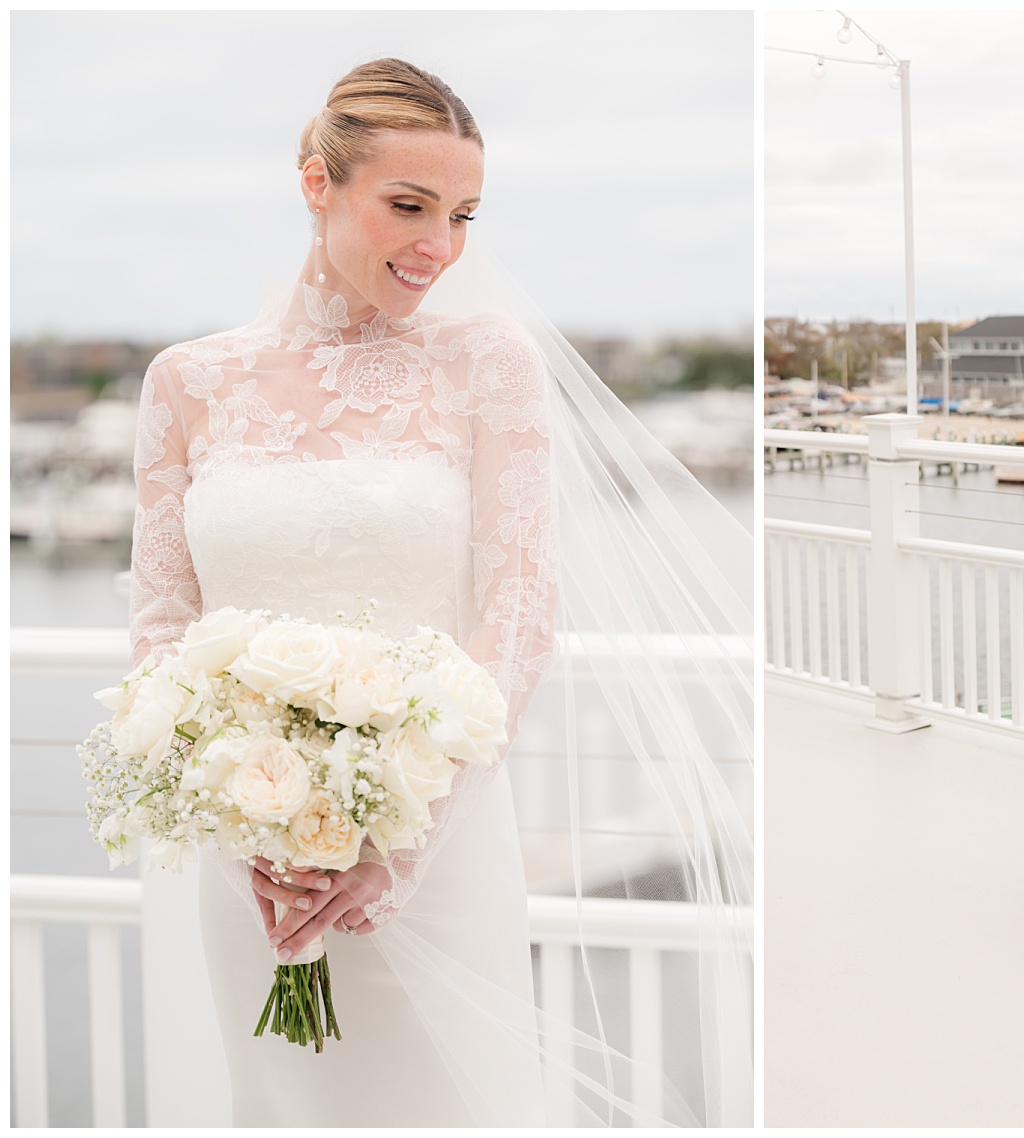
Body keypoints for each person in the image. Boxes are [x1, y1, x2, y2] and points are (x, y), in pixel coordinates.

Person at [128, 58, 752, 1125]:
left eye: (461, 215)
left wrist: (393, 850)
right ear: (316, 183)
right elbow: (159, 630)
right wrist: (247, 836)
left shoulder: (486, 365)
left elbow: (517, 615)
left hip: (436, 846)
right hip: (252, 869)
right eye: (408, 206)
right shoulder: (188, 382)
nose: (439, 248)